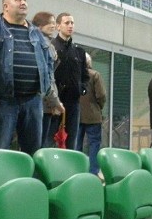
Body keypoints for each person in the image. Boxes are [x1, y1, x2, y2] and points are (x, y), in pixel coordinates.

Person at [0, 0, 54, 155]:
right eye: (18, 0)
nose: (23, 2)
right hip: (3, 100)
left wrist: (46, 88)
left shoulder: (37, 33)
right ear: (6, 6)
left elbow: (48, 62)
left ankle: (29, 182)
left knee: (33, 153)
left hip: (33, 101)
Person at [50, 12, 88, 150]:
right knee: (51, 139)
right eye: (67, 23)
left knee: (71, 141)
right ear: (58, 26)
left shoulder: (79, 52)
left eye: (72, 23)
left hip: (73, 102)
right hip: (55, 101)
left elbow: (85, 75)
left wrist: (82, 88)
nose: (70, 26)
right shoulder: (51, 47)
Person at [31, 11, 64, 148]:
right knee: (40, 144)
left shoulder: (49, 46)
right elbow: (47, 78)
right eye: (49, 23)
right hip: (43, 102)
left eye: (53, 22)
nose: (53, 26)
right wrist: (55, 102)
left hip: (47, 102)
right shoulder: (41, 46)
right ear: (39, 27)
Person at [77, 53, 106, 175]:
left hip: (77, 116)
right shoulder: (95, 75)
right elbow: (101, 95)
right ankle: (93, 172)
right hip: (93, 116)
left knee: (76, 144)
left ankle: (77, 170)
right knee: (94, 144)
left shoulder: (75, 76)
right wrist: (99, 107)